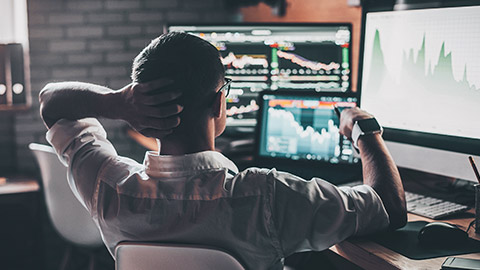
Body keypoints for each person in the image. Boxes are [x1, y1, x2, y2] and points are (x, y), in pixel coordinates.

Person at [39, 31, 406, 270]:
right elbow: (390, 206)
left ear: (140, 115)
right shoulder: (267, 195)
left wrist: (116, 104)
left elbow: (51, 103)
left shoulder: (108, 187)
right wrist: (364, 130)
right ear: (219, 104)